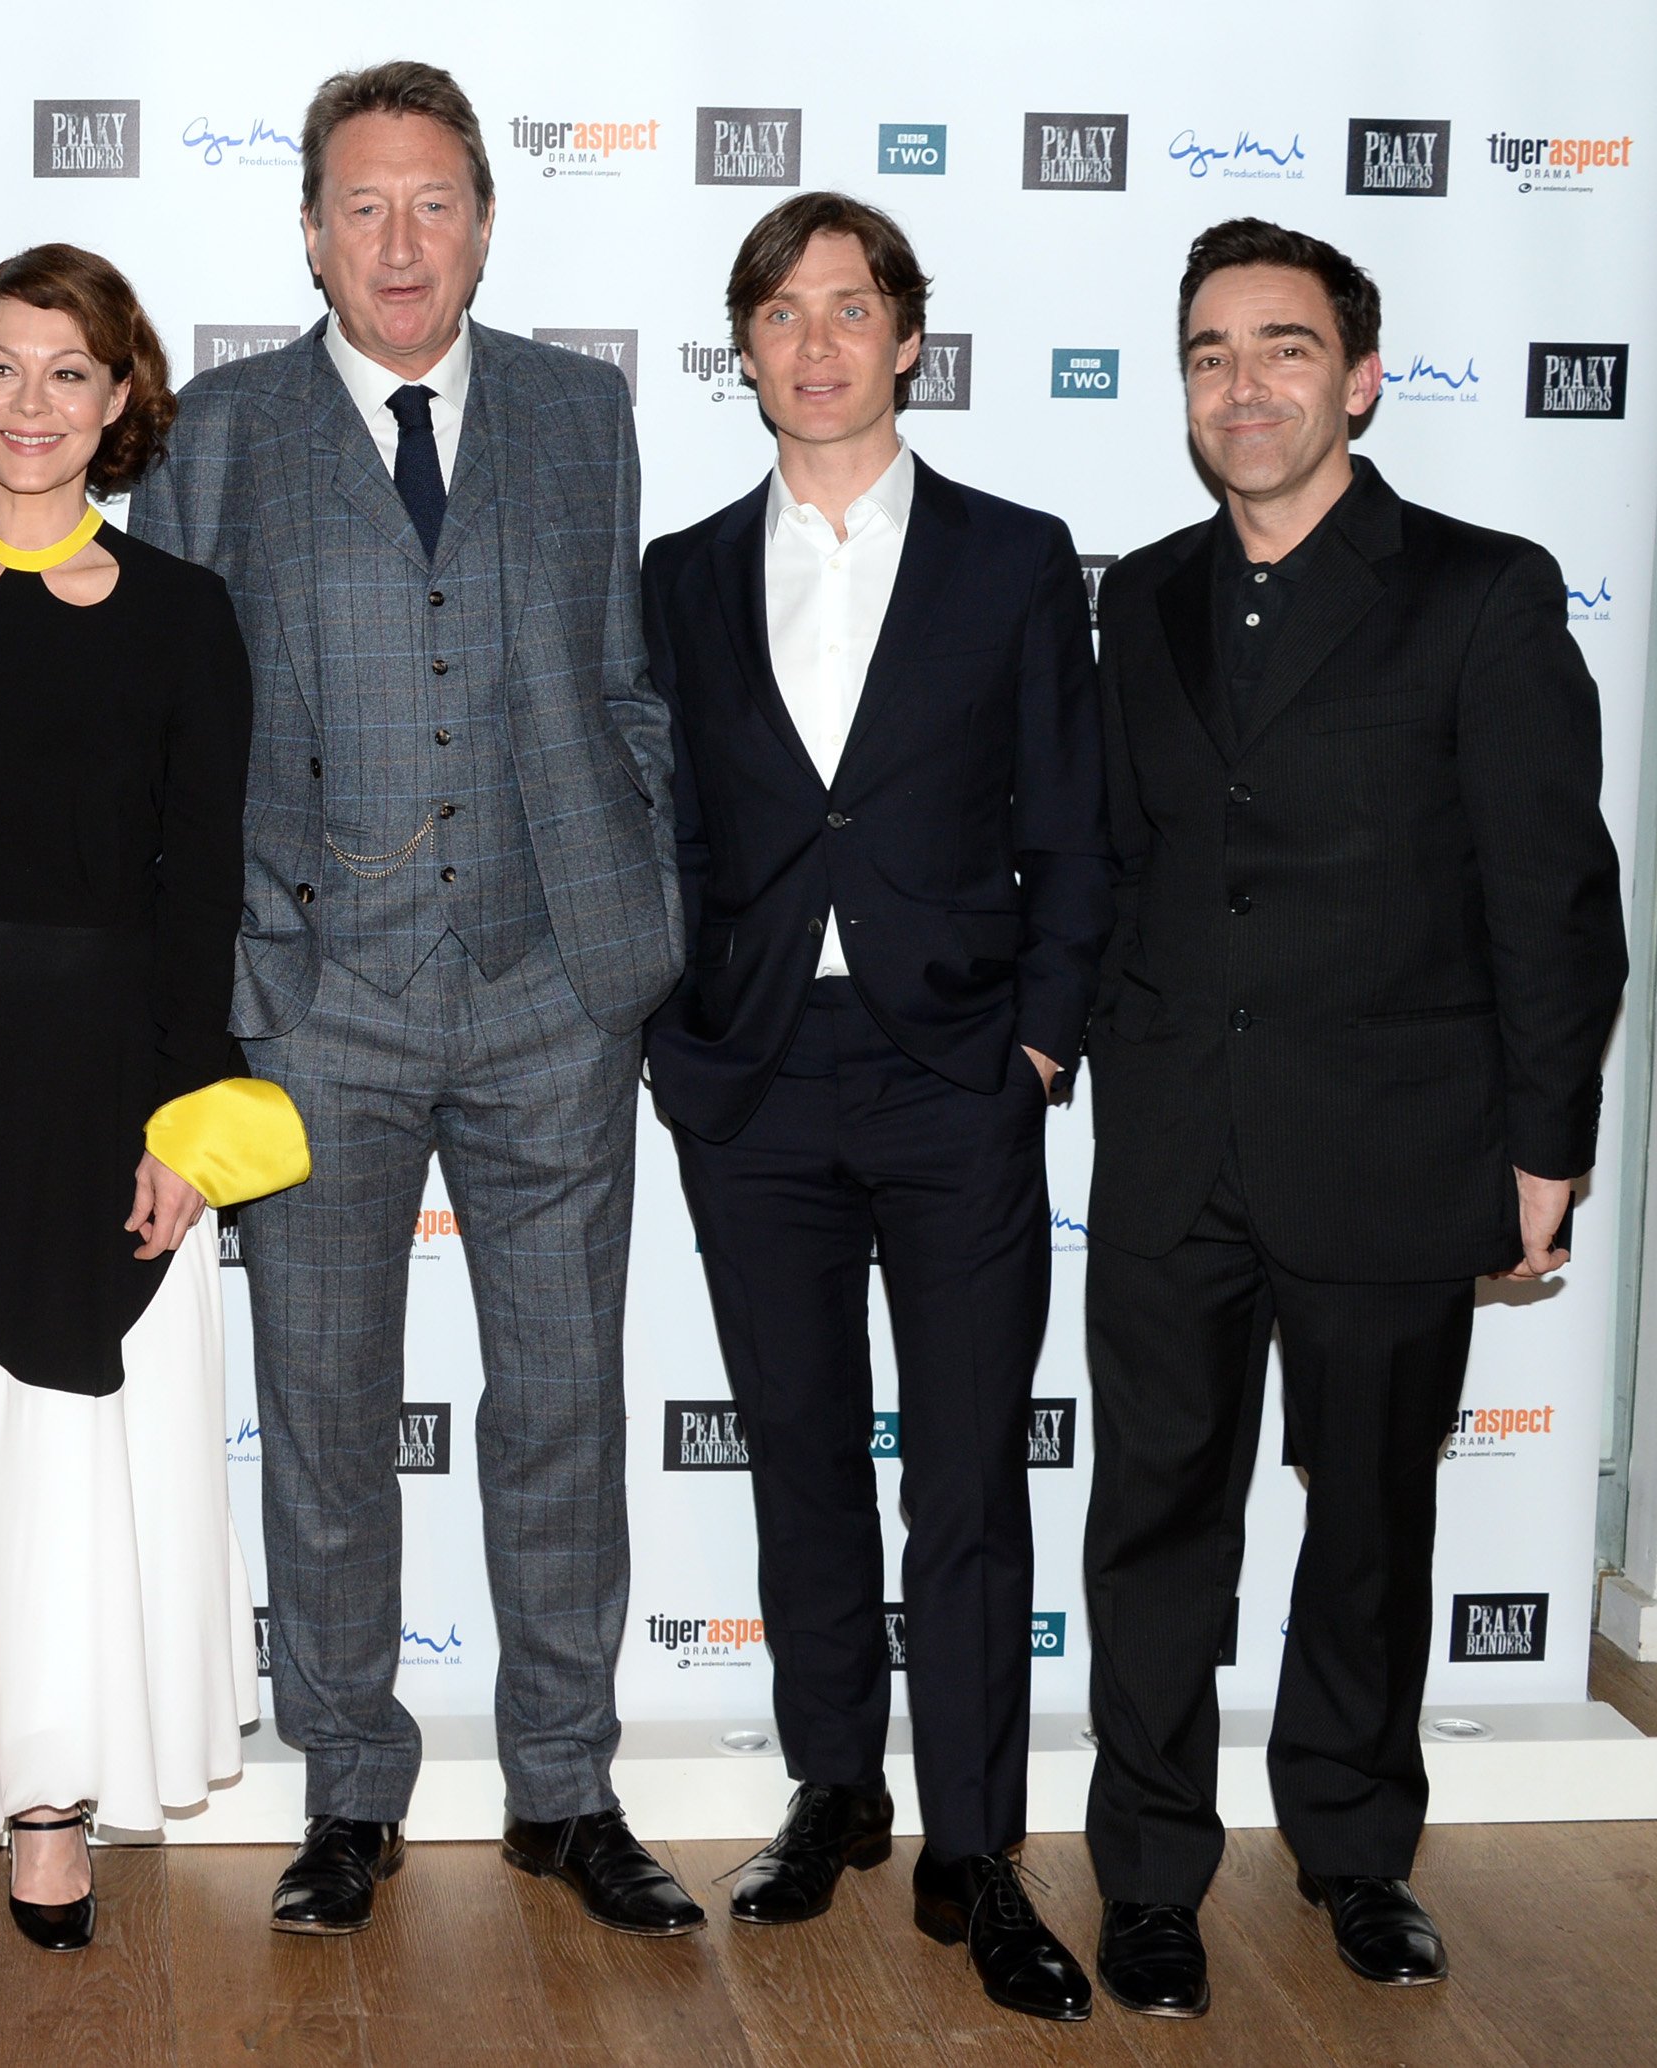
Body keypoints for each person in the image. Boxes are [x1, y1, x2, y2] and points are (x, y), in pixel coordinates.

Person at [133, 61, 697, 1938]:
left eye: (433, 202)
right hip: (317, 1007)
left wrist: (636, 921)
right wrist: (231, 978)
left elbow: (626, 683)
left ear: (481, 221)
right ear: (307, 229)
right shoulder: (216, 430)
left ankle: (565, 1786)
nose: (399, 241)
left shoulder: (579, 409)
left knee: (561, 1404)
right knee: (323, 1408)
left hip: (553, 993)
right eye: (361, 206)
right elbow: (179, 737)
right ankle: (350, 1791)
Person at [1080, 218, 1626, 2018]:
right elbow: (1118, 860)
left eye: (1285, 349)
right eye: (1213, 353)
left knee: (1373, 1520)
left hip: (1396, 1140)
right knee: (1157, 1523)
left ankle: (1353, 1852)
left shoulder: (1480, 589)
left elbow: (1553, 890)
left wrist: (1546, 1146)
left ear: (1360, 378)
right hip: (1171, 1146)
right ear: (1185, 388)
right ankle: (1151, 1872)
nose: (1246, 384)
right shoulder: (1141, 594)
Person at [0, 243, 295, 2035]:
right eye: (1, 370)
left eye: (70, 373)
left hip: (118, 1084)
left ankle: (52, 1802)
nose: (33, 404)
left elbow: (203, 890)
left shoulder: (185, 617)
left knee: (93, 1472)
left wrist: (193, 1118)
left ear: (121, 400)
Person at [641, 194, 1107, 2020]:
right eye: (782, 311)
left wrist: (1043, 1042)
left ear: (910, 338)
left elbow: (1073, 823)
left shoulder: (1013, 558)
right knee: (806, 1451)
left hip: (957, 1076)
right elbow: (662, 824)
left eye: (853, 309)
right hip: (752, 1077)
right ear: (742, 346)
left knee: (972, 1473)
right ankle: (836, 1786)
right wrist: (677, 1032)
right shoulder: (681, 571)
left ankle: (976, 1846)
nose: (818, 342)